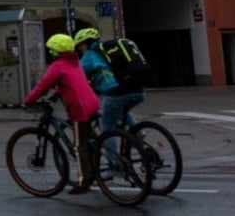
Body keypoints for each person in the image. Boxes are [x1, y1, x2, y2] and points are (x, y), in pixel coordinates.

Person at [25, 33, 100, 193]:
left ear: (55, 51)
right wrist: (58, 92)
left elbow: (43, 85)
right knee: (89, 140)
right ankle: (95, 166)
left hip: (79, 109)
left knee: (79, 145)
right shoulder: (75, 62)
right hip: (92, 103)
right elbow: (69, 81)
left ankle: (84, 182)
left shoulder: (57, 66)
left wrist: (29, 100)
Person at [90, 29, 148, 163]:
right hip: (139, 90)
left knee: (107, 127)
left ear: (82, 44)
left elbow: (80, 75)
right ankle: (137, 133)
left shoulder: (90, 55)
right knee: (121, 110)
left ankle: (114, 163)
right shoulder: (110, 49)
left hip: (119, 92)